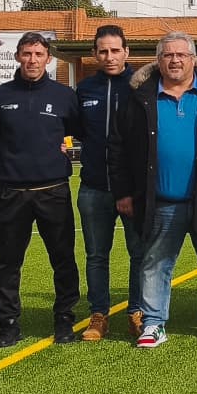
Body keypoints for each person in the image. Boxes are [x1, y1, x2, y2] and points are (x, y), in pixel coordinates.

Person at [109, 32, 197, 347]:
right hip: (160, 201)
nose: (175, 60)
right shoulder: (139, 97)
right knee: (154, 263)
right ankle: (153, 323)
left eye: (181, 54)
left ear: (193, 59)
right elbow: (118, 147)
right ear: (159, 60)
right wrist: (123, 191)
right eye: (168, 55)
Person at [0, 32, 84, 348]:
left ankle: (64, 319)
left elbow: (76, 135)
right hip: (11, 193)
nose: (32, 60)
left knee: (63, 259)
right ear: (17, 56)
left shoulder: (65, 96)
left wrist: (66, 149)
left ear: (48, 58)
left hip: (53, 190)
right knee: (9, 263)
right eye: (26, 54)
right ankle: (9, 324)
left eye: (39, 54)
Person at [75, 25, 139, 342]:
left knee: (139, 253)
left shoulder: (142, 85)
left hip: (134, 189)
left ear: (127, 52)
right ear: (94, 54)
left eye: (115, 50)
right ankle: (99, 314)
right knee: (96, 255)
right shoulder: (85, 89)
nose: (109, 56)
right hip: (93, 186)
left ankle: (137, 312)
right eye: (103, 51)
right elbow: (71, 129)